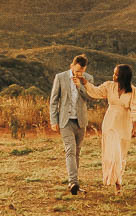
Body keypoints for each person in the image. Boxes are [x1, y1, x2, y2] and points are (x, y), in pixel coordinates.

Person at [76, 63, 136, 194]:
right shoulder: (109, 86)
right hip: (110, 122)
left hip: (124, 124)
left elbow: (135, 109)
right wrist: (85, 82)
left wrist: (134, 128)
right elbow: (95, 92)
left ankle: (118, 182)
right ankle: (114, 181)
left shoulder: (133, 91)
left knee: (120, 155)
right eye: (114, 73)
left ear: (123, 76)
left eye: (116, 74)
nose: (113, 76)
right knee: (111, 154)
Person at [49, 54, 96, 195]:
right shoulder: (60, 77)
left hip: (81, 121)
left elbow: (91, 98)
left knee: (77, 152)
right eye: (76, 71)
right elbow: (54, 100)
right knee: (70, 150)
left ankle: (74, 182)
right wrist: (53, 120)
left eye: (81, 71)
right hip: (65, 120)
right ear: (71, 66)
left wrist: (80, 86)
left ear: (85, 69)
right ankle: (73, 182)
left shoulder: (88, 78)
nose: (78, 73)